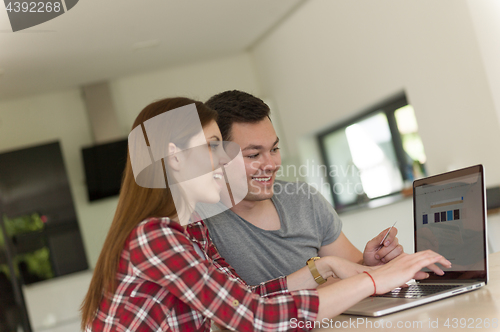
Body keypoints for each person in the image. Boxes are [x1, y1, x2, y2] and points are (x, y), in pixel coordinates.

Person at [80, 97, 451, 331]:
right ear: (175, 157)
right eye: (212, 147)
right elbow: (255, 318)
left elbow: (242, 298)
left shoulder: (188, 232)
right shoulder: (155, 236)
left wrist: (327, 268)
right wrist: (374, 280)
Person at [204, 90, 404, 285]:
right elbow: (240, 306)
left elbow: (353, 267)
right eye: (253, 155)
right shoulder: (201, 226)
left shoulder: (304, 199)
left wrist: (369, 264)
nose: (271, 165)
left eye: (274, 149)